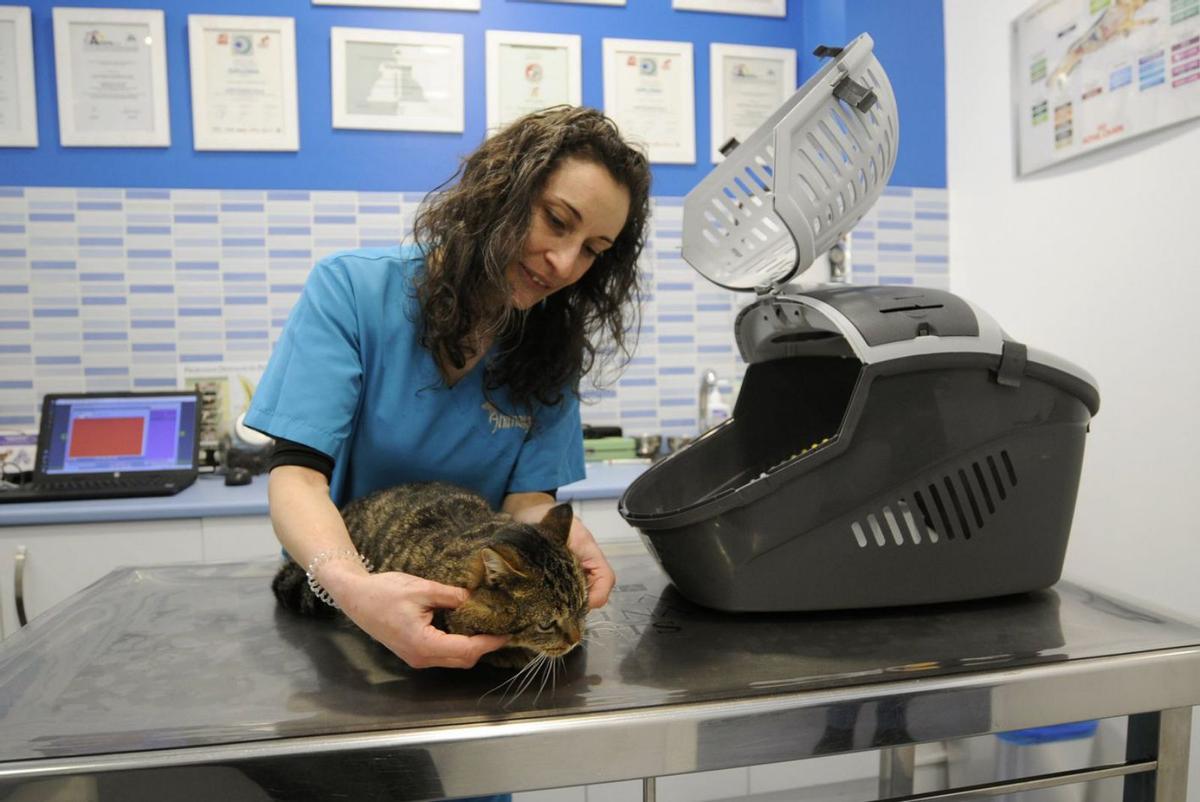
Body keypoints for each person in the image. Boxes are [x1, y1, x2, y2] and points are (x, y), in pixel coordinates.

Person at [245, 105, 652, 673]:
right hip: (341, 610)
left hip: (471, 626)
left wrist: (556, 546)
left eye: (593, 249)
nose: (564, 263)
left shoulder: (550, 346)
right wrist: (351, 587)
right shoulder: (354, 290)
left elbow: (528, 503)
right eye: (557, 220)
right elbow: (298, 477)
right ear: (500, 193)